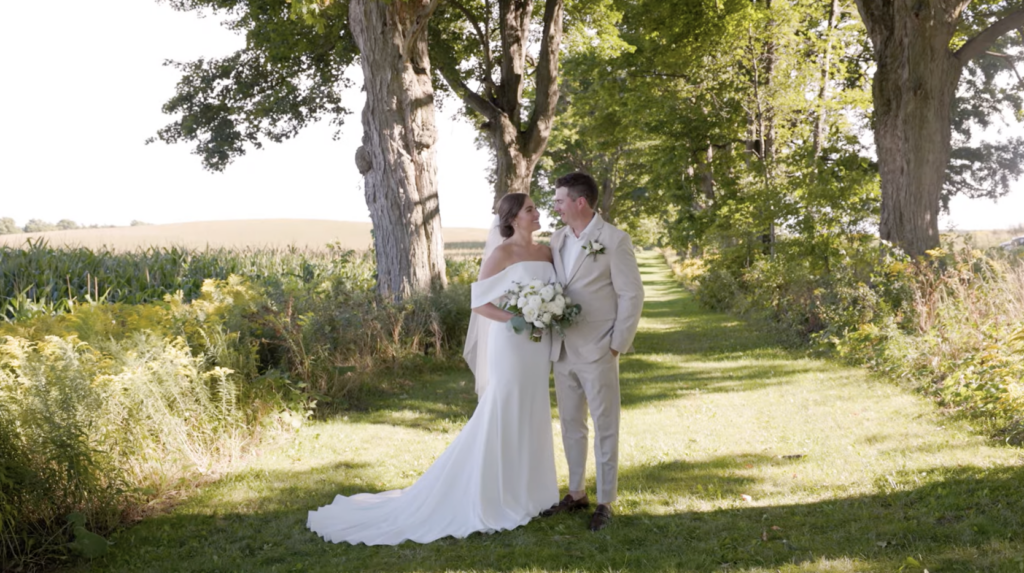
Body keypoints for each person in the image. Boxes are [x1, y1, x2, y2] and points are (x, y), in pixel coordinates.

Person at [307, 193, 558, 545]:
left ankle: (533, 493)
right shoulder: (502, 253)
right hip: (512, 343)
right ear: (513, 218)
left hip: (538, 346)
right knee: (505, 408)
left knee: (533, 409)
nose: (537, 212)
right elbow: (479, 303)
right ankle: (494, 492)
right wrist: (519, 318)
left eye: (535, 208)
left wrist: (546, 314)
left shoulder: (546, 252)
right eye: (530, 209)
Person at [541, 172, 644, 532]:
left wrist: (617, 344)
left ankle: (605, 500)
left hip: (600, 349)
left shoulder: (614, 240)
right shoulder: (556, 240)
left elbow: (632, 295)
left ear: (579, 202)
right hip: (563, 349)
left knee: (605, 426)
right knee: (570, 424)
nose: (555, 206)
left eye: (559, 200)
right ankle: (576, 491)